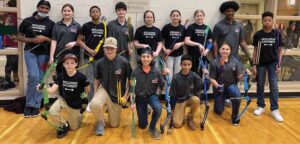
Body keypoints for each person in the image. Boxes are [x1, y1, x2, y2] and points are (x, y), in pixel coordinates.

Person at [16, 0, 55, 117]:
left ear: (48, 10)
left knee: (41, 79)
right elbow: (18, 36)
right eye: (42, 7)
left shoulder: (51, 24)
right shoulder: (28, 21)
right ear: (38, 7)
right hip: (30, 52)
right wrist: (32, 40)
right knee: (33, 76)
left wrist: (44, 38)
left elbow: (53, 40)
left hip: (44, 54)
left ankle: (37, 105)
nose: (44, 10)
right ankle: (29, 104)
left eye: (46, 8)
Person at [89, 37, 132, 136]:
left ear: (116, 49)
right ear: (103, 49)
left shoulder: (124, 62)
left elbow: (130, 80)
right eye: (107, 48)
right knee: (94, 104)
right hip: (104, 89)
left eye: (111, 48)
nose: (109, 50)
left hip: (117, 94)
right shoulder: (99, 62)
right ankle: (100, 122)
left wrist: (126, 95)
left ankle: (110, 108)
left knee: (114, 124)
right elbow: (97, 79)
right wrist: (95, 94)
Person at [41, 54, 90, 138]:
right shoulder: (60, 76)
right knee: (52, 111)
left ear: (76, 64)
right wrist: (43, 88)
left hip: (75, 104)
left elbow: (87, 89)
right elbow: (52, 90)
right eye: (67, 63)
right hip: (63, 100)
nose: (69, 65)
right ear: (63, 65)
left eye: (72, 63)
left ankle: (78, 115)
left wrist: (82, 98)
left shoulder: (81, 77)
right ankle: (63, 125)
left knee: (74, 128)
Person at [252, 11, 284, 122]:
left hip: (273, 63)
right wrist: (254, 65)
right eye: (265, 20)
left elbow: (280, 51)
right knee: (260, 84)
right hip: (260, 63)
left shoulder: (277, 34)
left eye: (269, 20)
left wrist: (279, 65)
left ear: (272, 21)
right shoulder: (258, 34)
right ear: (262, 21)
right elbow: (255, 51)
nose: (267, 22)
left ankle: (275, 109)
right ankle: (260, 106)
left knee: (274, 86)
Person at [130, 47, 168, 140]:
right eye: (143, 56)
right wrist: (132, 103)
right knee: (142, 125)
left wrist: (165, 75)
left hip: (152, 96)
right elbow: (132, 89)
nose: (145, 59)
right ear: (140, 58)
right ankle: (146, 109)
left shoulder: (156, 71)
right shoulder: (135, 72)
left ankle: (152, 127)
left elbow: (163, 87)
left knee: (158, 108)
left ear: (151, 58)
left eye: (148, 56)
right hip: (140, 98)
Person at [210, 43, 251, 125]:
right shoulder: (214, 62)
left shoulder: (235, 61)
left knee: (237, 96)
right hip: (220, 88)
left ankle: (235, 116)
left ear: (230, 51)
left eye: (227, 49)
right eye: (223, 49)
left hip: (231, 85)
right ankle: (222, 101)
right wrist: (218, 86)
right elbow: (212, 78)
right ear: (219, 50)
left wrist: (245, 74)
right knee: (219, 111)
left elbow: (239, 77)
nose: (225, 51)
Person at [77, 5, 106, 100]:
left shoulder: (105, 26)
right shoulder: (86, 26)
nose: (95, 13)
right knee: (89, 79)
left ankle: (99, 100)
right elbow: (79, 40)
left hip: (101, 58)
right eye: (93, 11)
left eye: (97, 11)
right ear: (90, 14)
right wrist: (89, 50)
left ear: (100, 13)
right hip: (88, 57)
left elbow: (106, 42)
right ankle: (90, 100)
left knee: (100, 79)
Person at [170, 54, 204, 130]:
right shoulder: (175, 77)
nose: (186, 67)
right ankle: (180, 115)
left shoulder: (194, 75)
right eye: (184, 65)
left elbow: (202, 86)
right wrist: (172, 109)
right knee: (176, 124)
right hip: (179, 101)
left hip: (190, 99)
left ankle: (190, 118)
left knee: (196, 100)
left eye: (189, 65)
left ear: (191, 65)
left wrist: (207, 79)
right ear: (181, 65)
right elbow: (172, 94)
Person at [49, 3, 81, 75]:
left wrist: (74, 43)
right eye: (64, 10)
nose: (66, 12)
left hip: (73, 55)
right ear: (62, 12)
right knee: (60, 76)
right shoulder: (56, 25)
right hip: (59, 55)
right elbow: (54, 41)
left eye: (69, 11)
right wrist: (51, 57)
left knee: (72, 76)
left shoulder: (77, 25)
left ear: (73, 12)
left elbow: (82, 41)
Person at [185, 9, 213, 75]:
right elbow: (186, 41)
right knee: (193, 73)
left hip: (203, 55)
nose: (199, 17)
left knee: (202, 74)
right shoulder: (191, 27)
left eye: (201, 15)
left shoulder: (207, 28)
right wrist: (198, 44)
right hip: (192, 55)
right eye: (197, 16)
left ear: (204, 16)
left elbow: (210, 42)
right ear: (194, 17)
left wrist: (207, 50)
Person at [161, 10, 186, 80]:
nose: (175, 17)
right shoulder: (166, 27)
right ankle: (168, 91)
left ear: (179, 17)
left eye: (177, 15)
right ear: (171, 17)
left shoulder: (183, 28)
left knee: (177, 76)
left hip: (179, 55)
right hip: (169, 55)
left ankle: (175, 90)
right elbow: (160, 41)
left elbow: (186, 41)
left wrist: (180, 43)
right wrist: (165, 50)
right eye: (173, 16)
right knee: (169, 76)